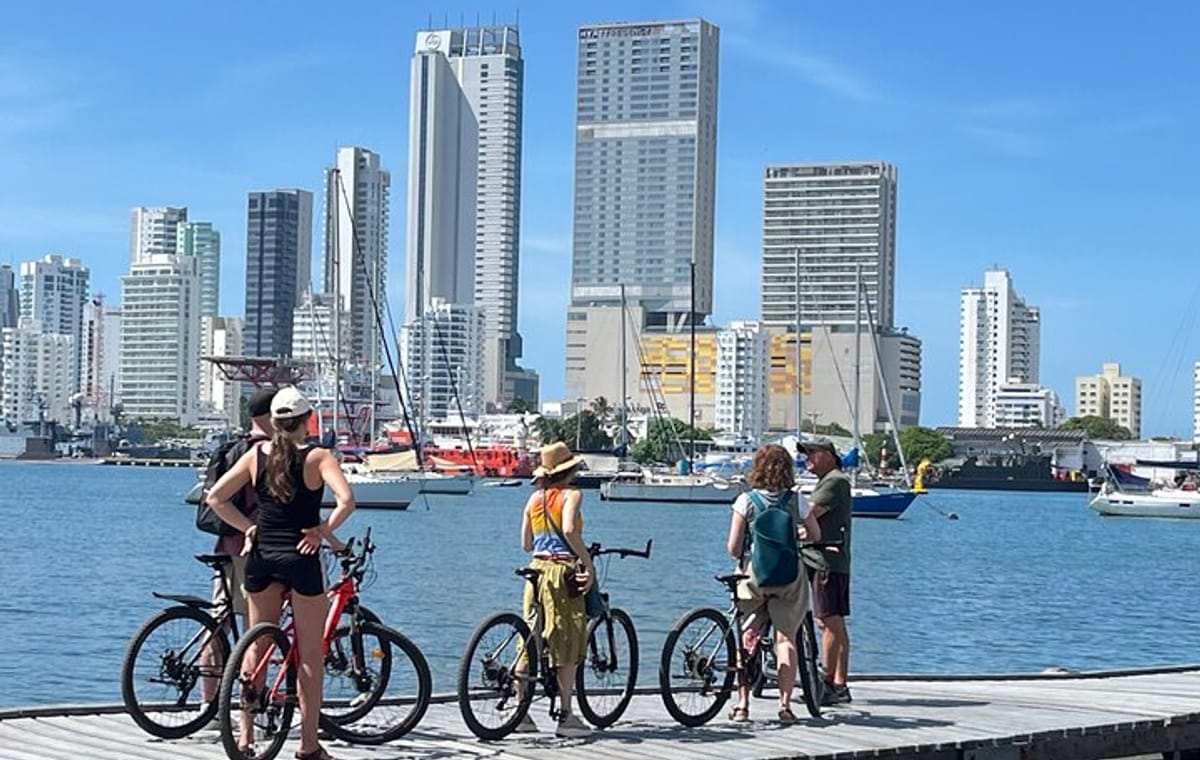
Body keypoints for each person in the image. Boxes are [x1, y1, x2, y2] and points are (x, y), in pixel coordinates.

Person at [206, 386, 355, 760]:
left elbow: (215, 498)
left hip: (261, 557)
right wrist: (322, 531)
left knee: (258, 647)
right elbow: (347, 501)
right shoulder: (318, 457)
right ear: (307, 422)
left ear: (273, 423)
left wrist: (248, 527)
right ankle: (308, 746)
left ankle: (245, 736)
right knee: (309, 655)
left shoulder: (257, 455)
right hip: (300, 558)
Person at [725, 444, 821, 725]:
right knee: (786, 639)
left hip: (754, 577)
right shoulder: (797, 501)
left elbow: (733, 548)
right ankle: (785, 705)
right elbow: (814, 534)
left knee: (748, 635)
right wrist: (796, 536)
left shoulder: (746, 500)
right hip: (789, 577)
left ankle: (742, 705)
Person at [199, 387, 276, 704]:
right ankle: (251, 707)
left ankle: (208, 704)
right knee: (255, 632)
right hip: (250, 551)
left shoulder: (233, 448)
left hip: (224, 547)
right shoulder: (263, 454)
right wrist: (252, 530)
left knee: (218, 622)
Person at [515, 441, 596, 738]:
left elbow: (526, 544)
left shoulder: (534, 499)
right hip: (561, 572)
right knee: (566, 640)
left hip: (535, 569)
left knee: (530, 637)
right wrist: (587, 563)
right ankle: (566, 716)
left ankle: (520, 712)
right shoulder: (573, 495)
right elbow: (571, 531)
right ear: (570, 470)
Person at [799, 437, 854, 706]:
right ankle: (840, 683)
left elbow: (809, 514)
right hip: (830, 558)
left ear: (830, 455)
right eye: (805, 452)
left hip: (825, 560)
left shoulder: (833, 481)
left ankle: (828, 682)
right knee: (833, 622)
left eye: (812, 452)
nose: (807, 457)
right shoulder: (832, 480)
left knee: (828, 621)